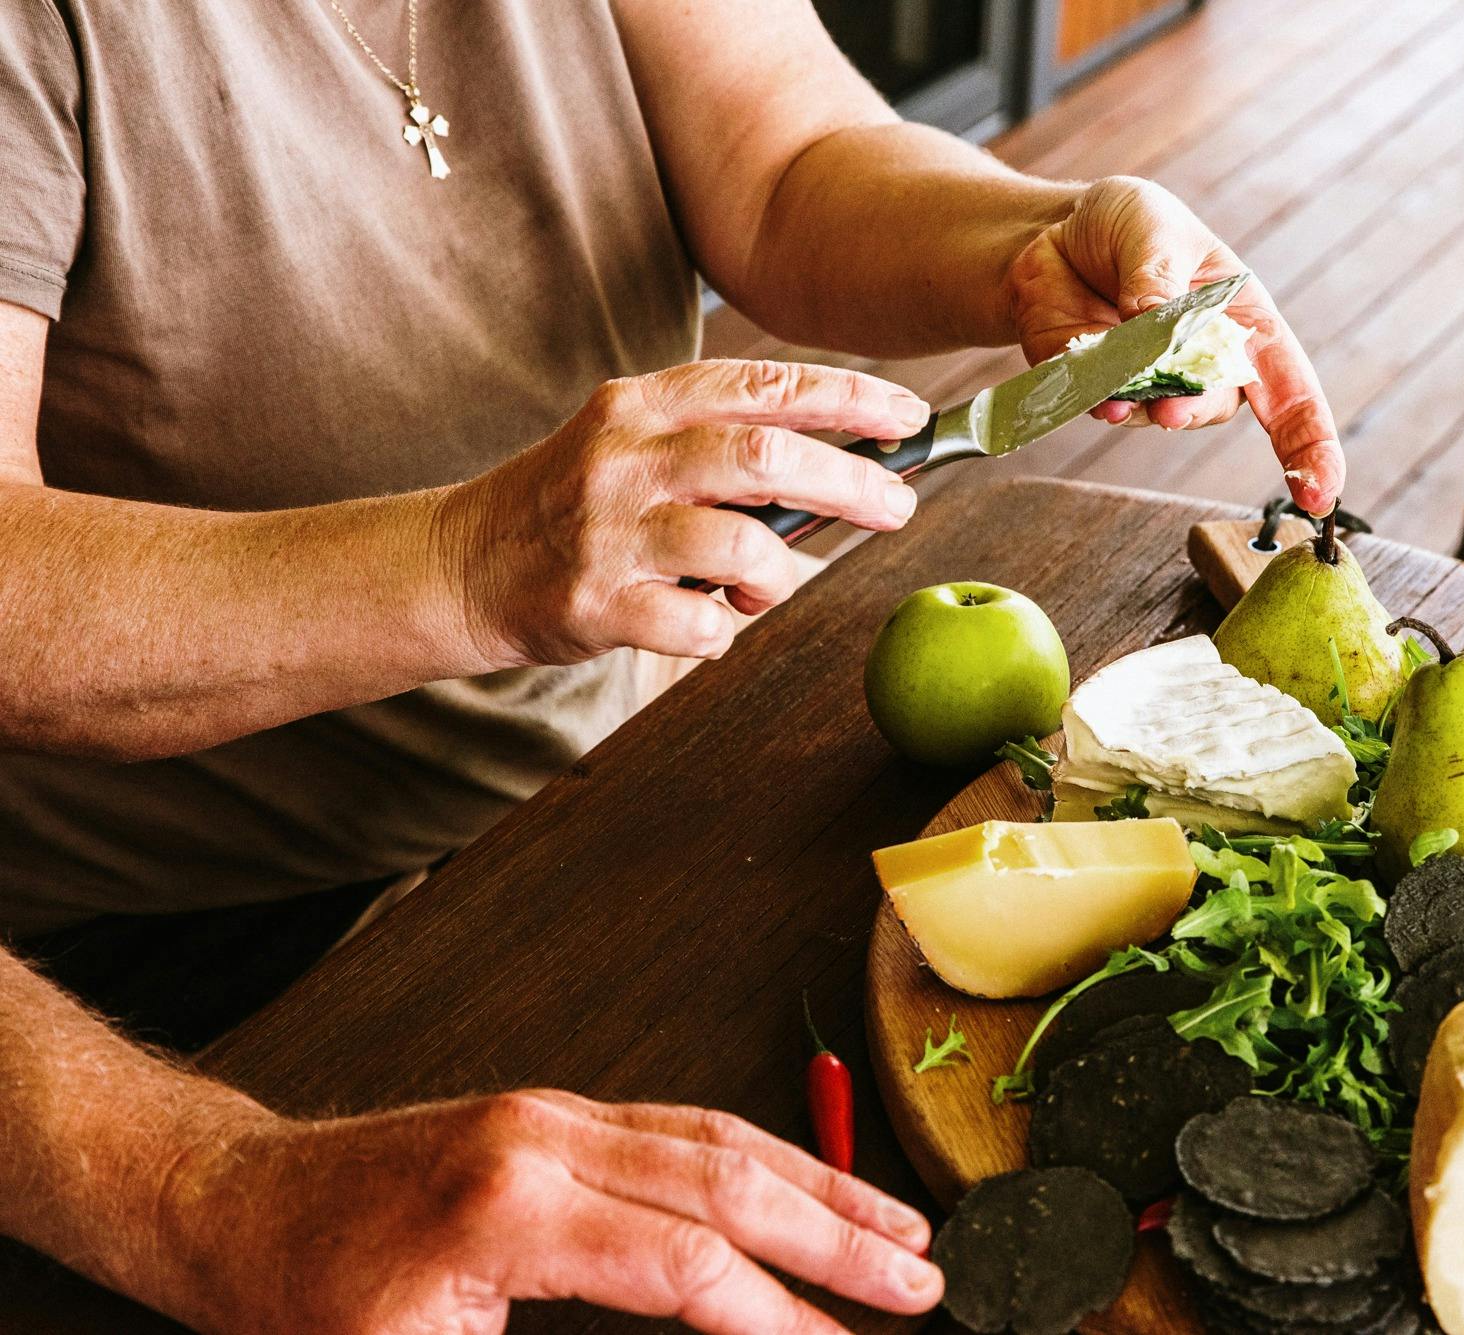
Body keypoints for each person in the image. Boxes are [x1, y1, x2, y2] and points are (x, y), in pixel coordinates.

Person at [0, 0, 1344, 1329]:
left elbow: (787, 166)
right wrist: (476, 562)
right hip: (173, 960)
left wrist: (1031, 244)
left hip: (609, 773)